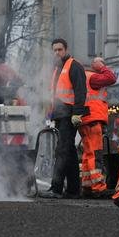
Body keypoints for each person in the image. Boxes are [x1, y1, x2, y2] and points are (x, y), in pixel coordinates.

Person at [39, 38, 87, 199]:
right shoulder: (57, 69)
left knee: (61, 150)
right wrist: (50, 115)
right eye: (54, 50)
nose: (57, 53)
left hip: (69, 115)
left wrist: (77, 113)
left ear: (65, 50)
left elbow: (81, 91)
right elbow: (54, 95)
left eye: (59, 49)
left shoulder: (74, 66)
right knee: (70, 152)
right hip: (60, 115)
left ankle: (56, 188)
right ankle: (73, 189)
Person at [78, 57, 117, 197]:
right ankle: (98, 187)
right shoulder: (92, 77)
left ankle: (87, 185)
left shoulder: (81, 78)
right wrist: (101, 67)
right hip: (93, 119)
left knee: (88, 154)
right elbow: (111, 78)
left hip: (85, 119)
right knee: (95, 154)